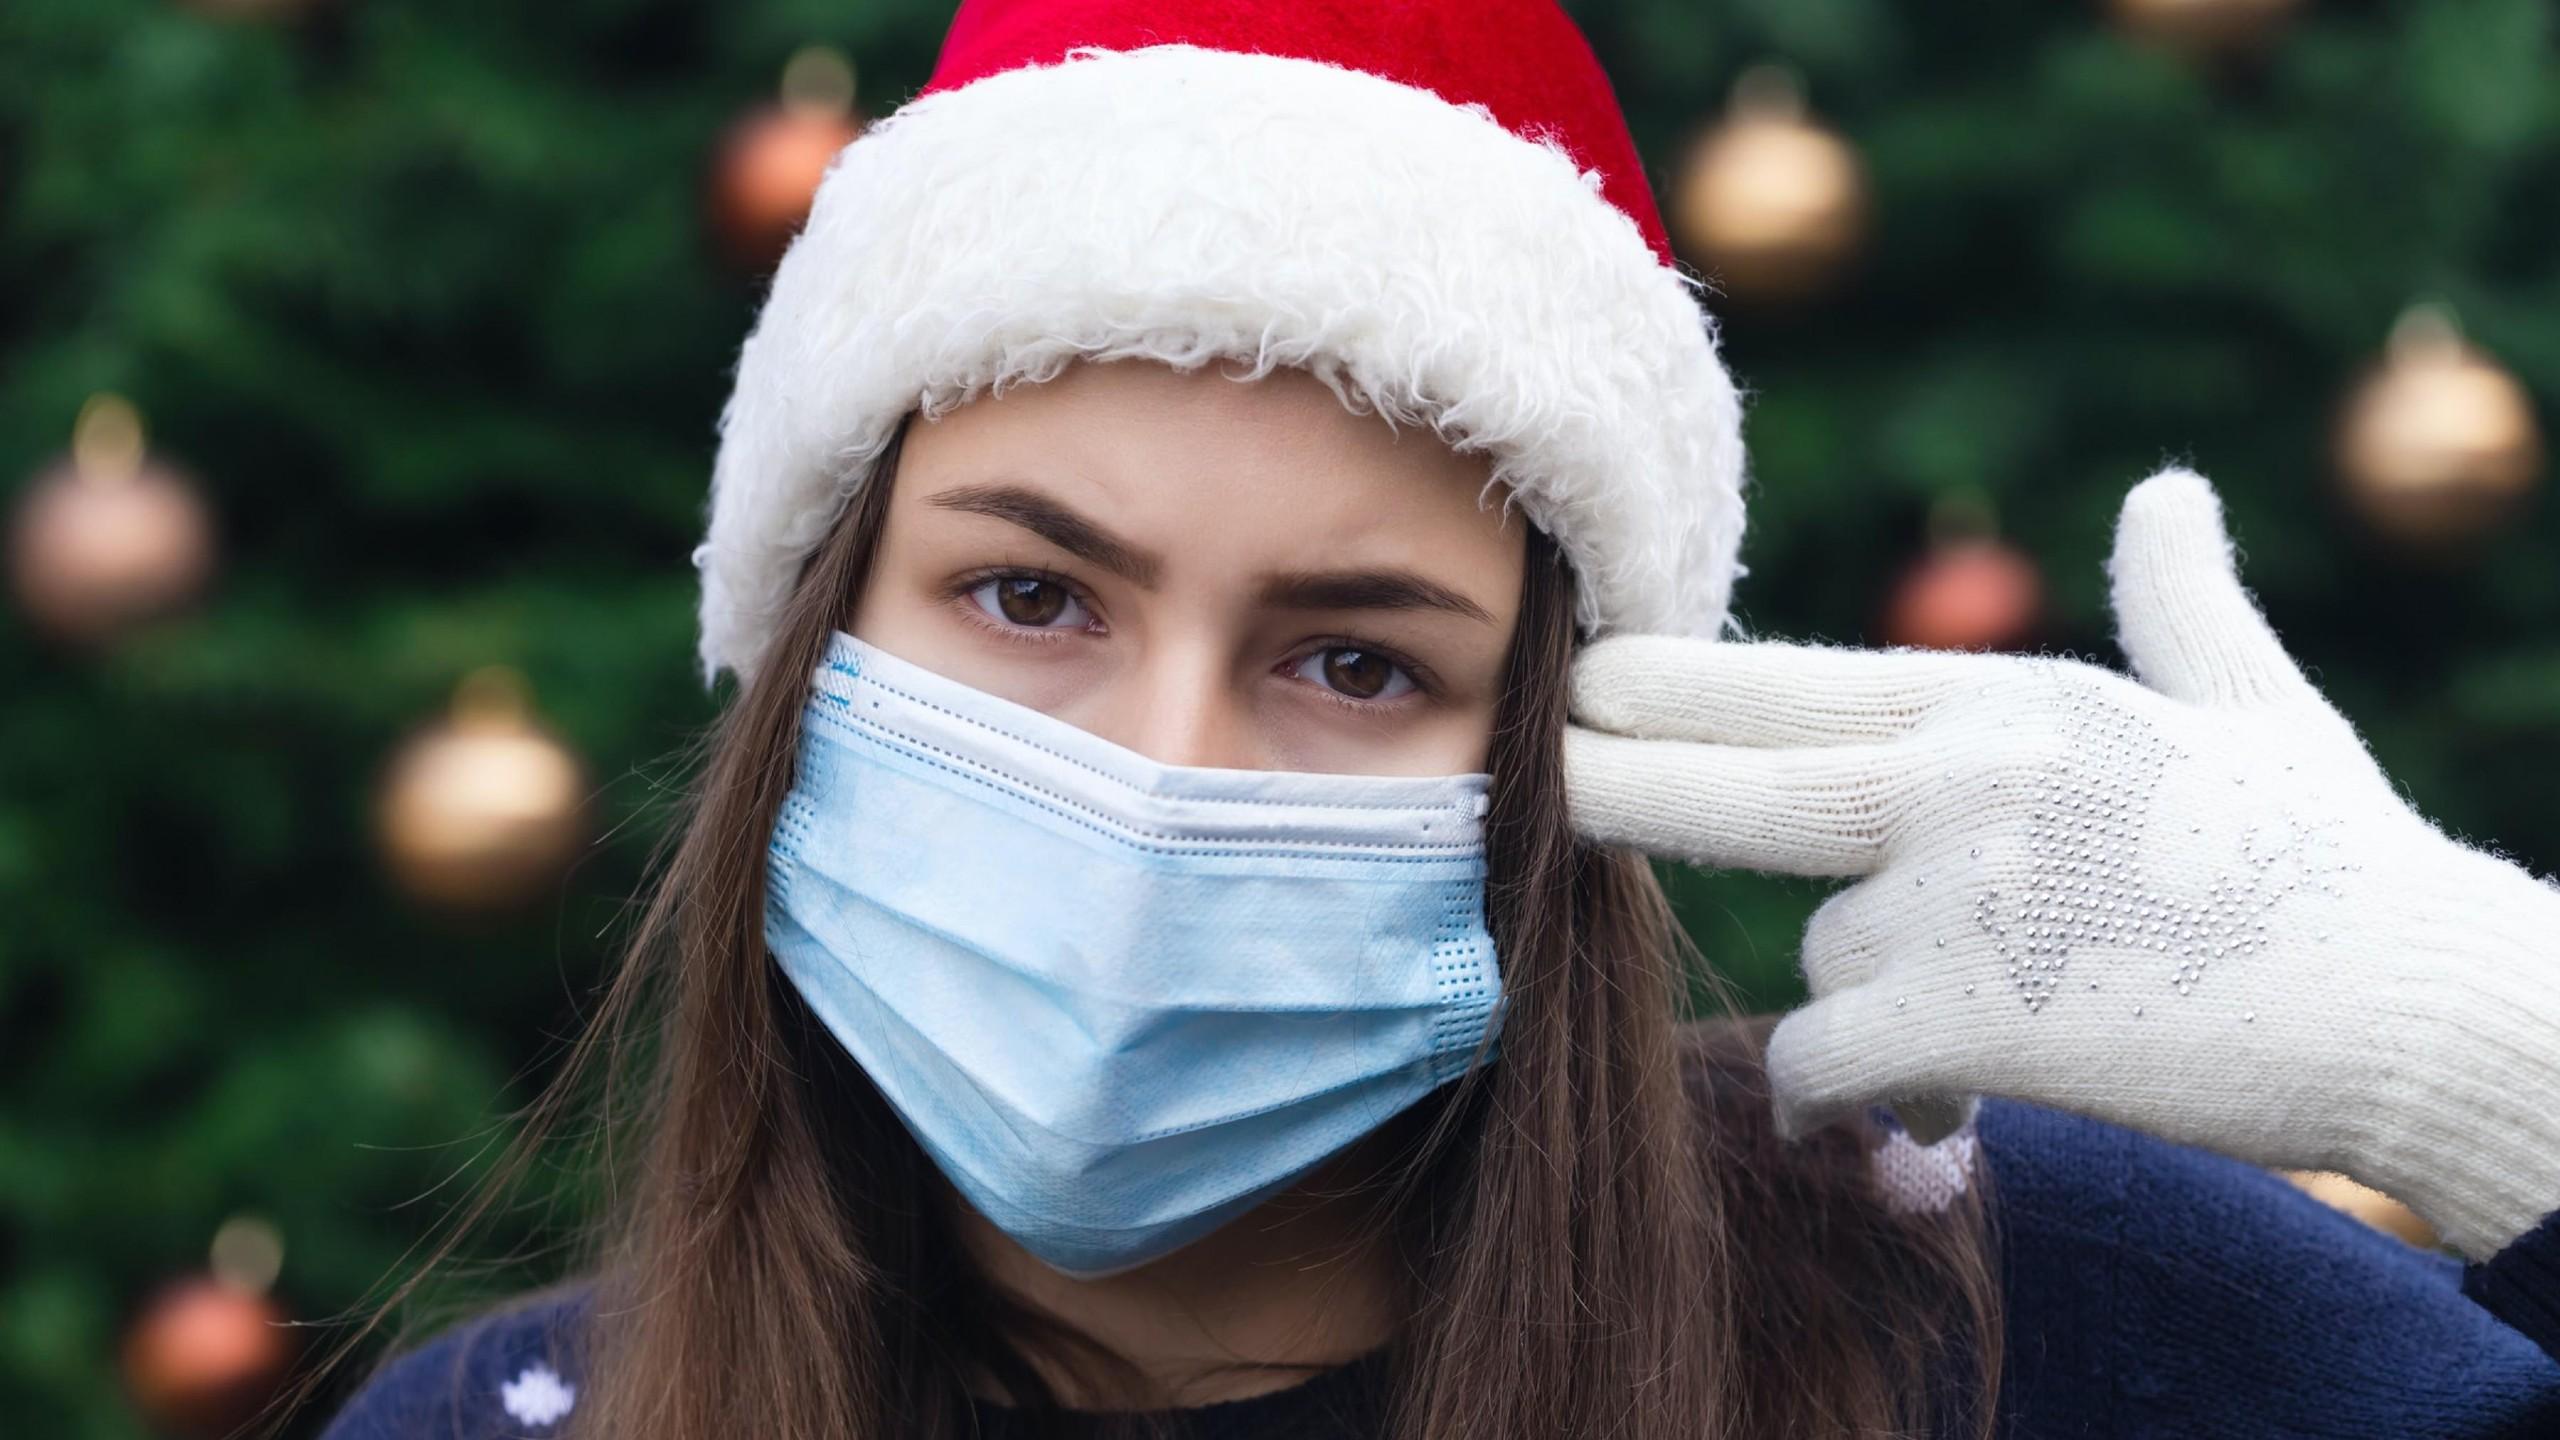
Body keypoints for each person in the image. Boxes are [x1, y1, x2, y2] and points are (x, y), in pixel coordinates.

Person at [305, 1, 2560, 1436]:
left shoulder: (2010, 1316)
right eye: (1026, 592)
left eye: (1352, 658)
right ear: (814, 645)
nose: (1161, 765)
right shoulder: (502, 1422)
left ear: (1536, 771)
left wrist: (2499, 1059)